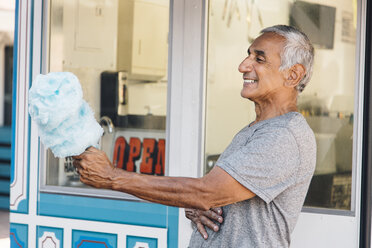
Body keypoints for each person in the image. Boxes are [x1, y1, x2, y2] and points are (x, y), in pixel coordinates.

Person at [73, 25, 316, 248]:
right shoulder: (257, 129)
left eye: (259, 59)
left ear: (293, 75)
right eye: (248, 55)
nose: (243, 65)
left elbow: (206, 191)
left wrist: (112, 177)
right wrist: (200, 204)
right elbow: (213, 195)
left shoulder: (283, 136)